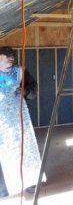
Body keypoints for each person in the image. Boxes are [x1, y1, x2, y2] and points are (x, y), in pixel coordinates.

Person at [0, 47, 42, 197]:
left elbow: (33, 87)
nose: (11, 59)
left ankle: (29, 181)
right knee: (4, 151)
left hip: (18, 118)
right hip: (1, 120)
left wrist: (24, 91)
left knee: (25, 147)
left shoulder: (19, 72)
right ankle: (4, 187)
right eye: (7, 57)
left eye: (13, 57)